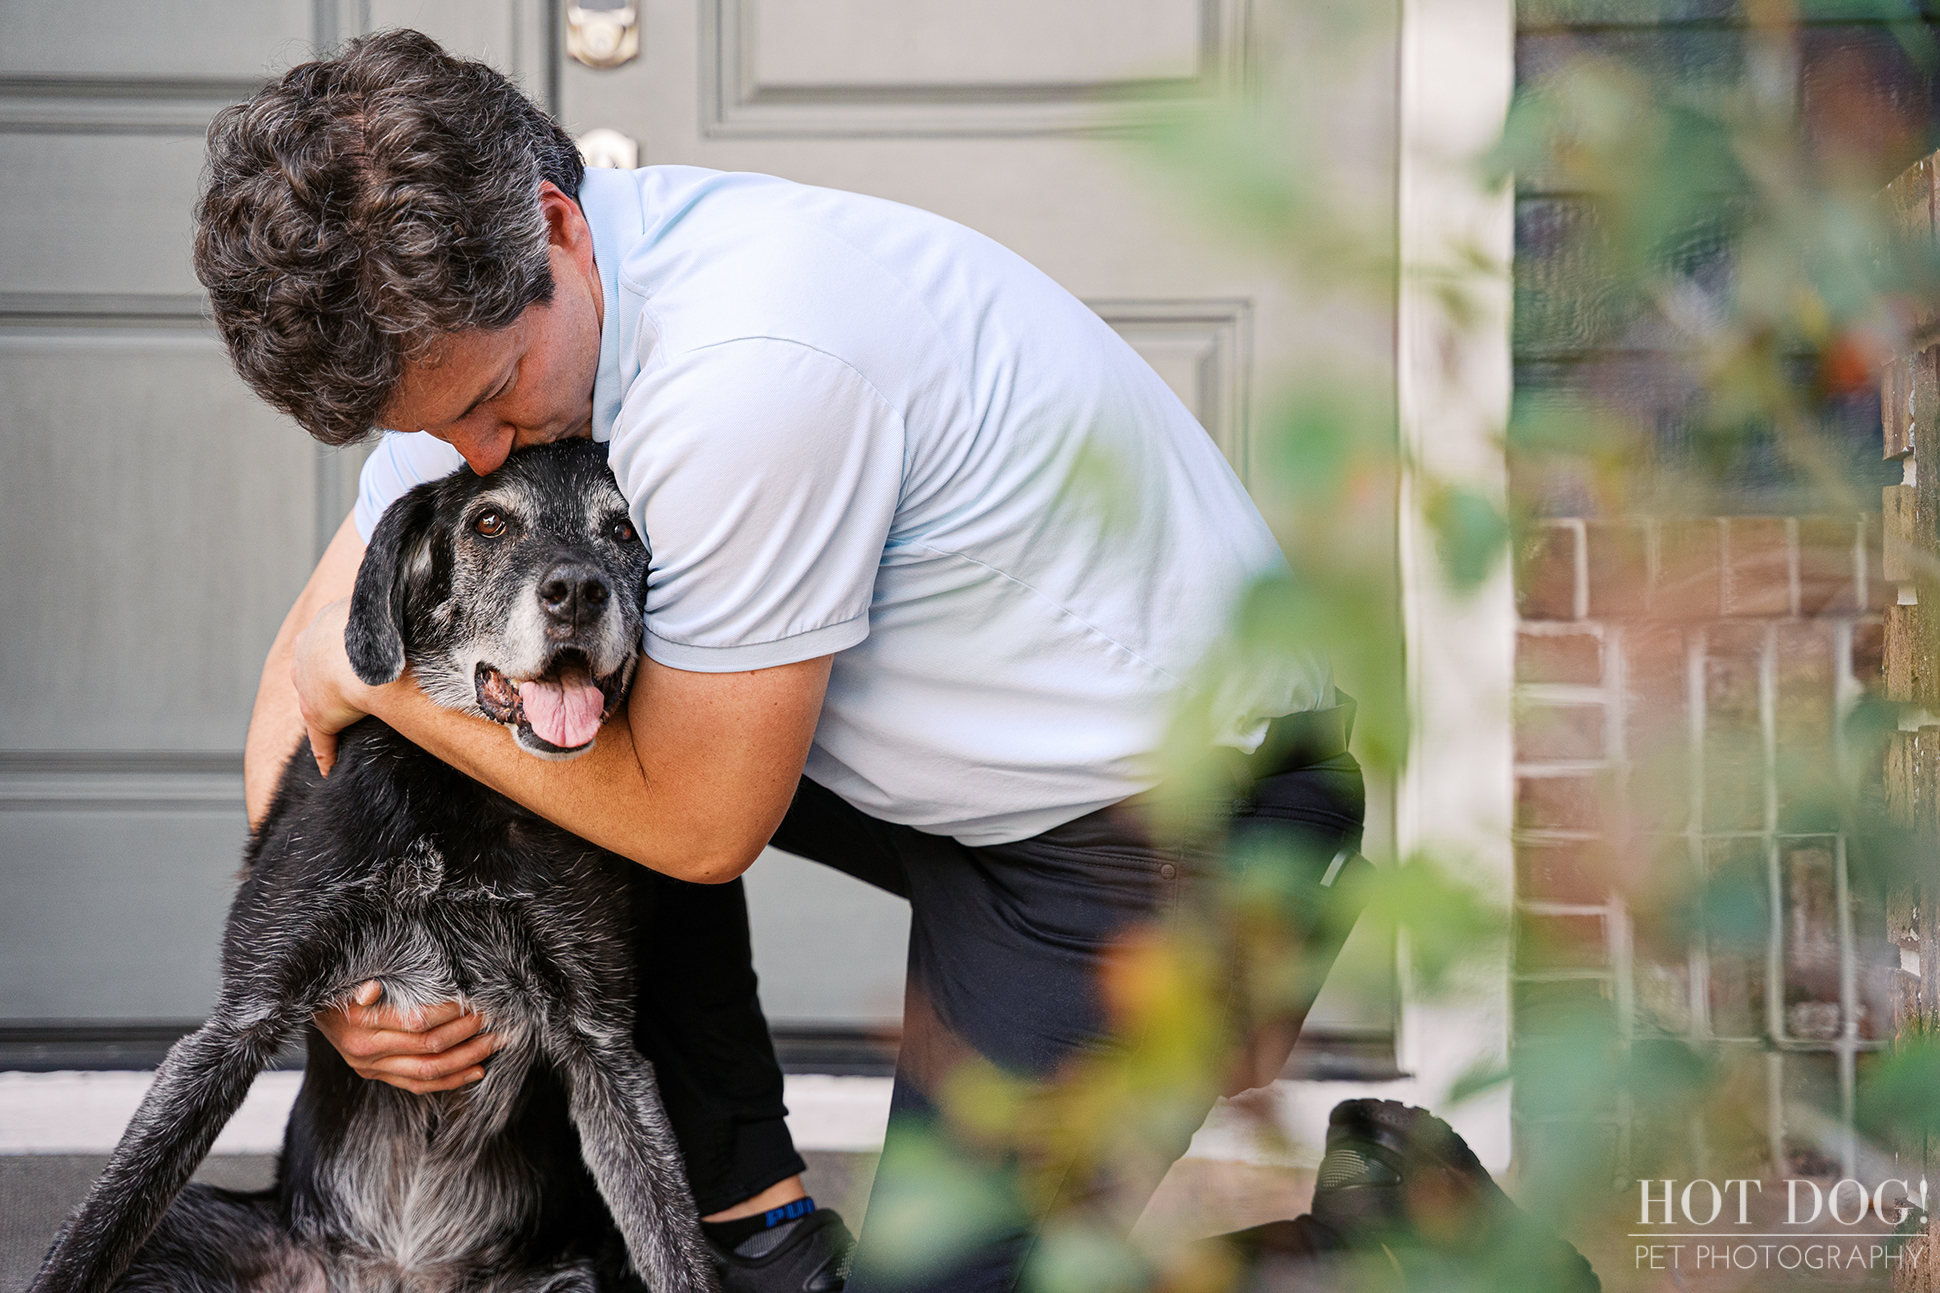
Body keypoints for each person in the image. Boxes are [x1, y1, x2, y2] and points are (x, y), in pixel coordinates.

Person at [196, 29, 1368, 1293]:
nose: (480, 453)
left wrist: (379, 686)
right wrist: (333, 981)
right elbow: (298, 667)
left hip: (1176, 823)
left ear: (556, 229)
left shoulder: (749, 373)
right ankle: (760, 1228)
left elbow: (696, 823)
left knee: (954, 1278)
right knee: (532, 688)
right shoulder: (495, 340)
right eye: (436, 431)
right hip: (972, 772)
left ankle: (1378, 1245)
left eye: (490, 401)